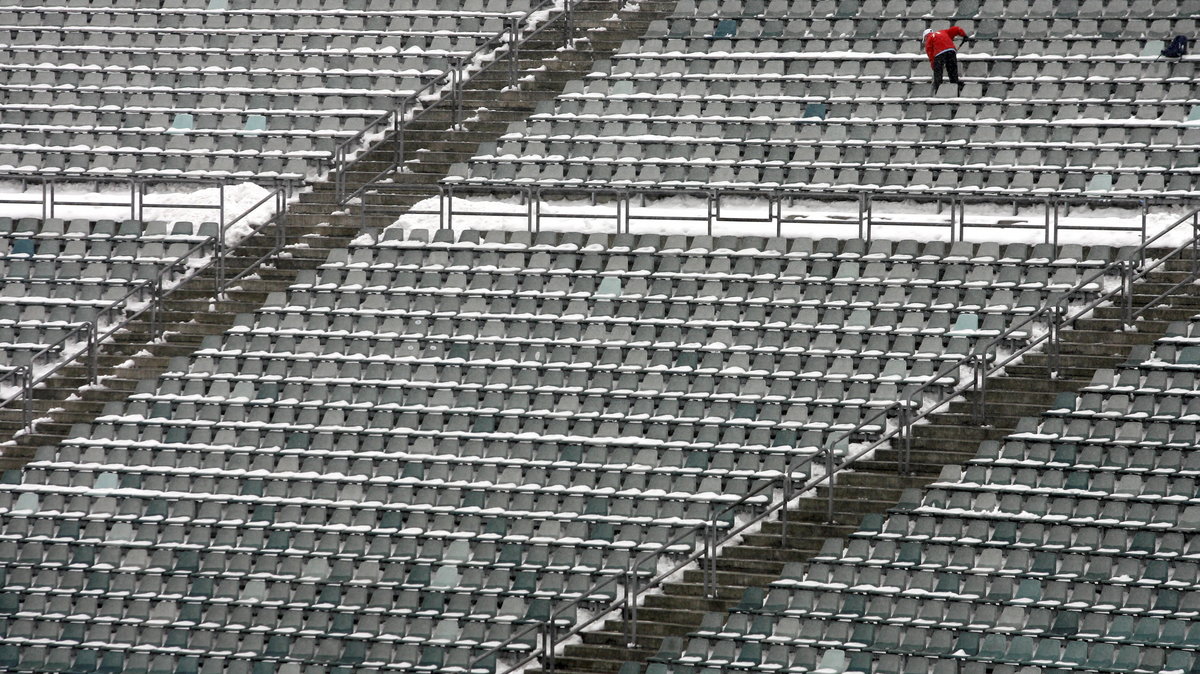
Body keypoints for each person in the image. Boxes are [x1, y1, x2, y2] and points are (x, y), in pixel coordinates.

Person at [922, 26, 969, 93]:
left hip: (939, 54)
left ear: (925, 37)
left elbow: (930, 53)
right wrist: (964, 35)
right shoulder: (943, 32)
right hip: (951, 51)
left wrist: (934, 66)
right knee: (952, 73)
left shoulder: (929, 39)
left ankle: (938, 92)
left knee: (938, 75)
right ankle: (956, 91)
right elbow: (956, 29)